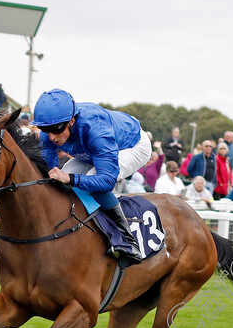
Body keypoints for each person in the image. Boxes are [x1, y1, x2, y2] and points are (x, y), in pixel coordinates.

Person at [34, 88, 152, 262]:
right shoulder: (51, 131)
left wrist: (70, 179)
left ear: (71, 120)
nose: (51, 137)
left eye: (56, 130)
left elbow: (106, 181)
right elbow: (49, 173)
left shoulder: (96, 129)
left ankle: (128, 241)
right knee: (58, 183)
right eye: (46, 130)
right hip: (91, 150)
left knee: (92, 180)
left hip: (131, 146)